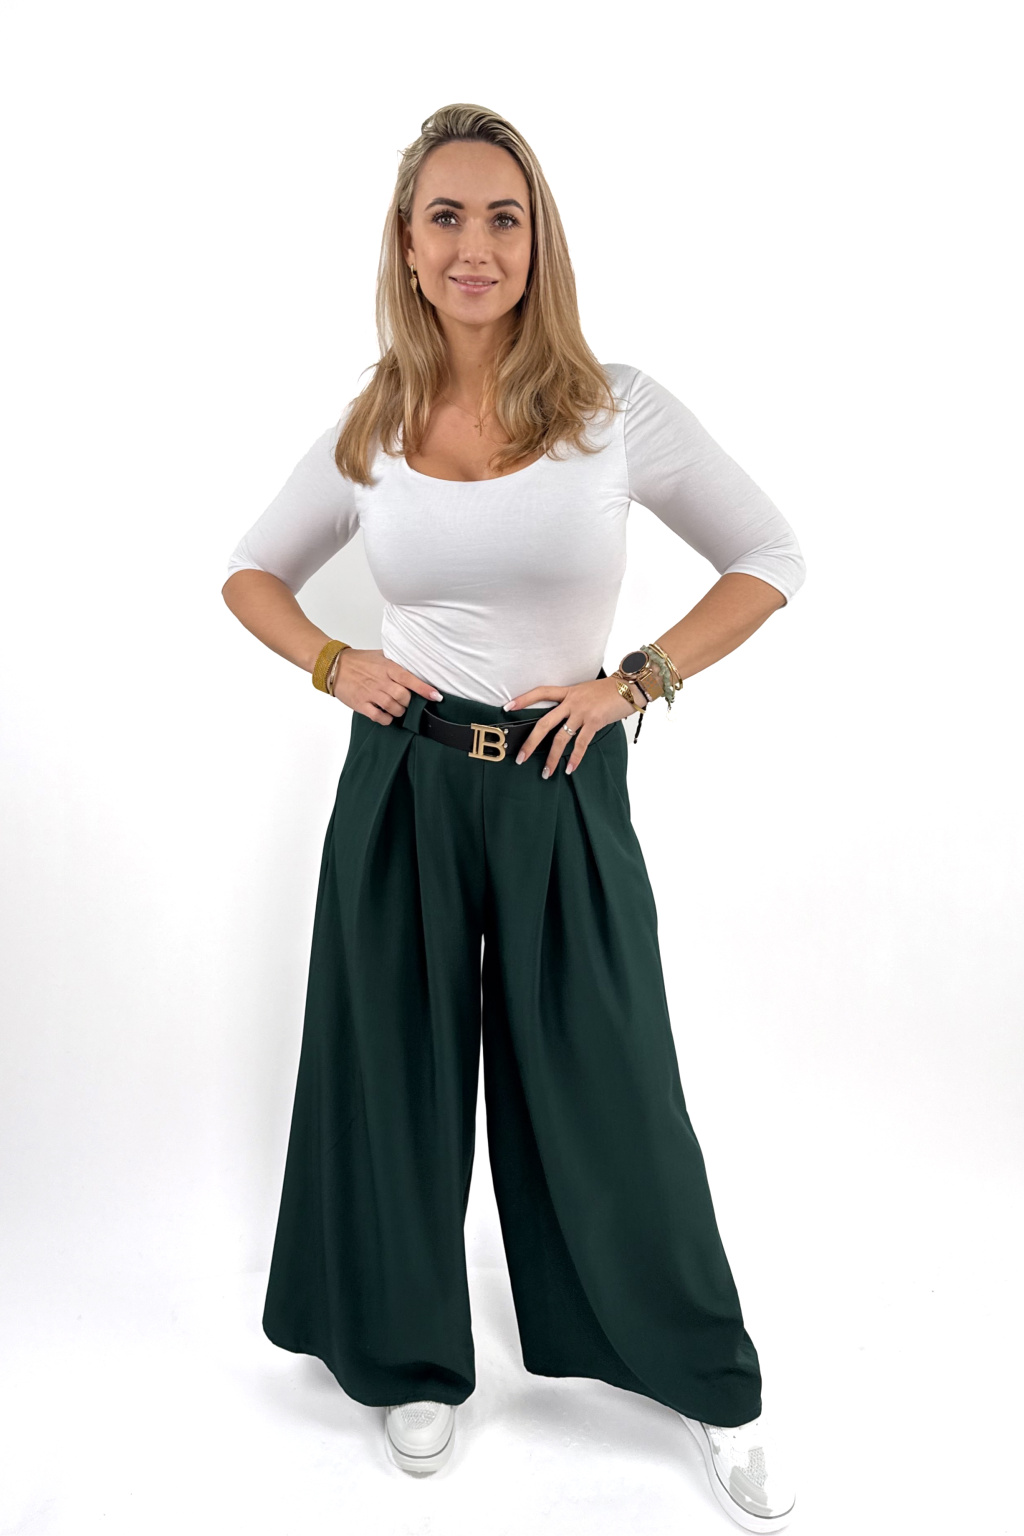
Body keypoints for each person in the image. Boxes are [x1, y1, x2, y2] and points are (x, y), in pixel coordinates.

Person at [221, 102, 805, 1532]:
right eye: (447, 217)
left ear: (538, 241)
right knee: (393, 1071)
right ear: (408, 245)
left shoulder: (615, 409)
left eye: (503, 217)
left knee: (611, 1081)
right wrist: (333, 661)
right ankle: (410, 1357)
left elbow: (769, 554)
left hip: (560, 786)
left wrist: (638, 680)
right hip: (406, 781)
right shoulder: (374, 423)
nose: (474, 245)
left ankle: (708, 1381)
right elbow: (249, 572)